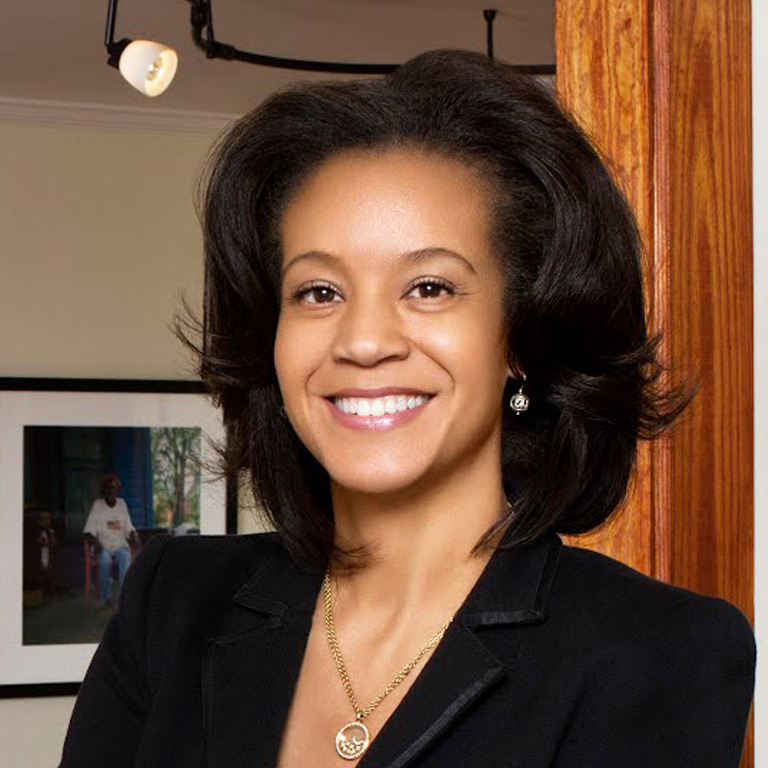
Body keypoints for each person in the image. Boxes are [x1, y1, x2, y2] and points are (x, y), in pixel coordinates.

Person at [59, 49, 755, 767]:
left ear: (522, 335)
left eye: (429, 288)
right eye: (319, 292)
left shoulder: (658, 651)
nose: (363, 342)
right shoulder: (171, 603)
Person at [83, 474, 139, 608]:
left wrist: (133, 534)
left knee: (125, 559)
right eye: (107, 488)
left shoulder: (122, 504)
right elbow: (88, 531)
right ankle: (105, 598)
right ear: (103, 490)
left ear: (117, 490)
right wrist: (96, 542)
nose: (110, 491)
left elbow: (128, 526)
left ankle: (125, 597)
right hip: (103, 545)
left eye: (113, 488)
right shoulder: (98, 505)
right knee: (104, 560)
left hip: (120, 544)